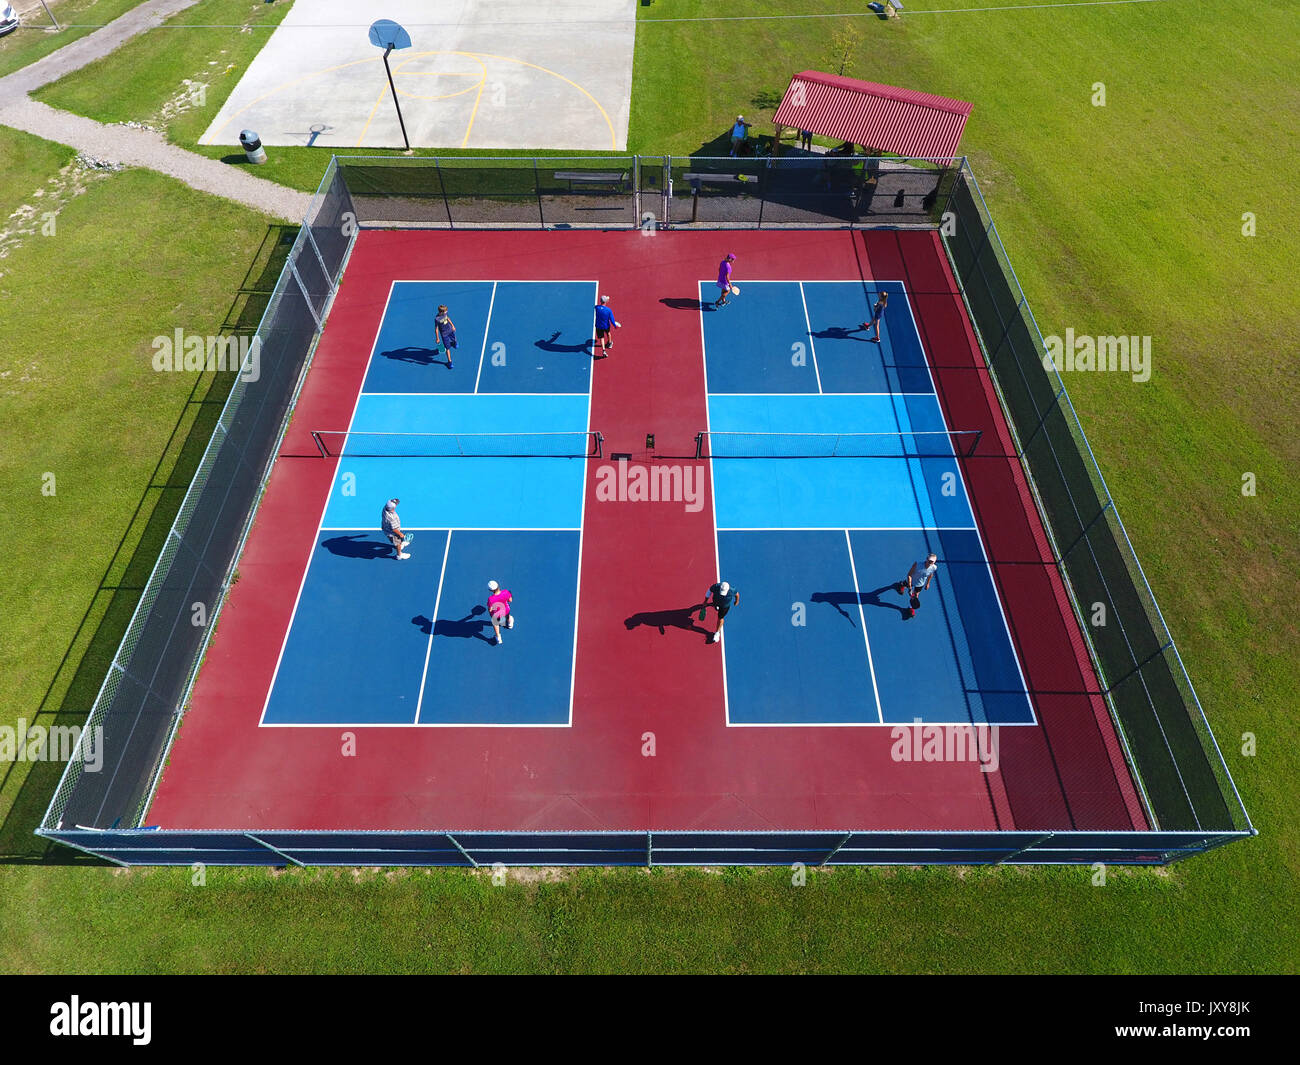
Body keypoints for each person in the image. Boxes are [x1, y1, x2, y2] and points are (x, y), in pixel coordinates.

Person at [898, 553, 938, 618]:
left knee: (915, 596)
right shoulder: (917, 564)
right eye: (929, 560)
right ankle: (901, 584)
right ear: (927, 559)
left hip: (920, 584)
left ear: (934, 562)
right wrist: (910, 587)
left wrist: (928, 583)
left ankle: (911, 608)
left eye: (932, 561)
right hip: (911, 581)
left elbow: (931, 575)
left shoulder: (934, 567)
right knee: (905, 584)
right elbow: (909, 575)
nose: (930, 562)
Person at [701, 579, 739, 644]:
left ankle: (717, 633)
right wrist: (705, 601)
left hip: (725, 606)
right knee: (715, 606)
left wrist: (736, 601)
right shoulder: (716, 586)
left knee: (720, 618)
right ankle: (716, 606)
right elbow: (709, 591)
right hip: (716, 602)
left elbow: (737, 595)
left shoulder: (732, 590)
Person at [486, 579, 514, 645]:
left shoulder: (491, 599)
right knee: (508, 617)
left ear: (491, 590)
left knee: (495, 624)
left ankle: (498, 638)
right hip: (506, 611)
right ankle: (510, 624)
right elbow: (510, 600)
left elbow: (490, 610)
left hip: (496, 615)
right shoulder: (506, 592)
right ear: (498, 585)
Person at [434, 304, 457, 369]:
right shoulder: (437, 319)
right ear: (441, 312)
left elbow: (447, 318)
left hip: (450, 330)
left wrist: (452, 325)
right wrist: (437, 338)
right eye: (445, 311)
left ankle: (454, 344)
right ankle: (450, 362)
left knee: (454, 339)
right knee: (447, 349)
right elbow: (436, 329)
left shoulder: (444, 314)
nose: (447, 312)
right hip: (444, 335)